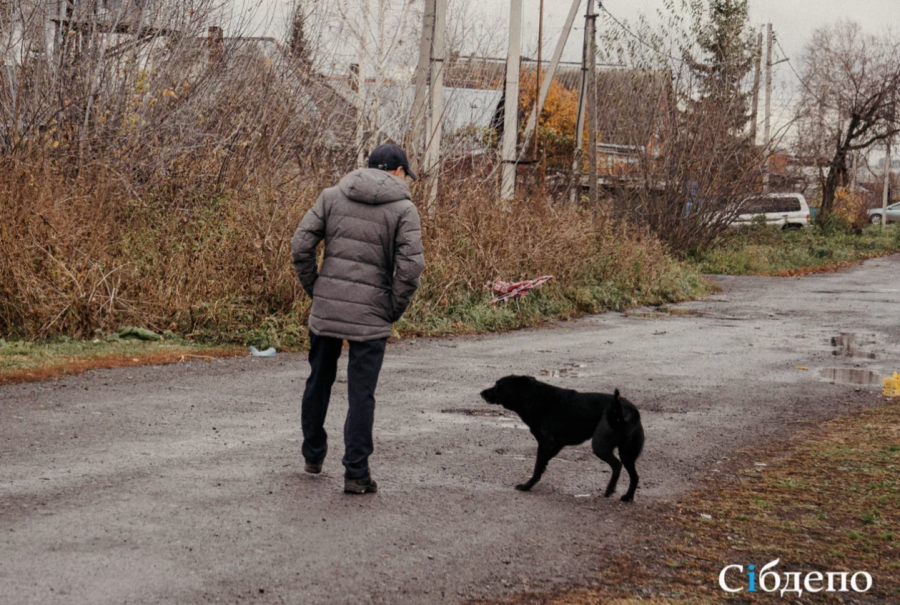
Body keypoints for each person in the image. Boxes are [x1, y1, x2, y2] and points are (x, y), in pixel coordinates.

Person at [291, 144, 425, 494]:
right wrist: (391, 308)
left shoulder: (332, 196)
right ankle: (356, 473)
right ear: (397, 172)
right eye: (404, 174)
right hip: (371, 314)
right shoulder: (403, 209)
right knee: (361, 394)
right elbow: (411, 269)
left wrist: (318, 290)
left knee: (319, 380)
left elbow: (300, 246)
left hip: (328, 309)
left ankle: (313, 454)